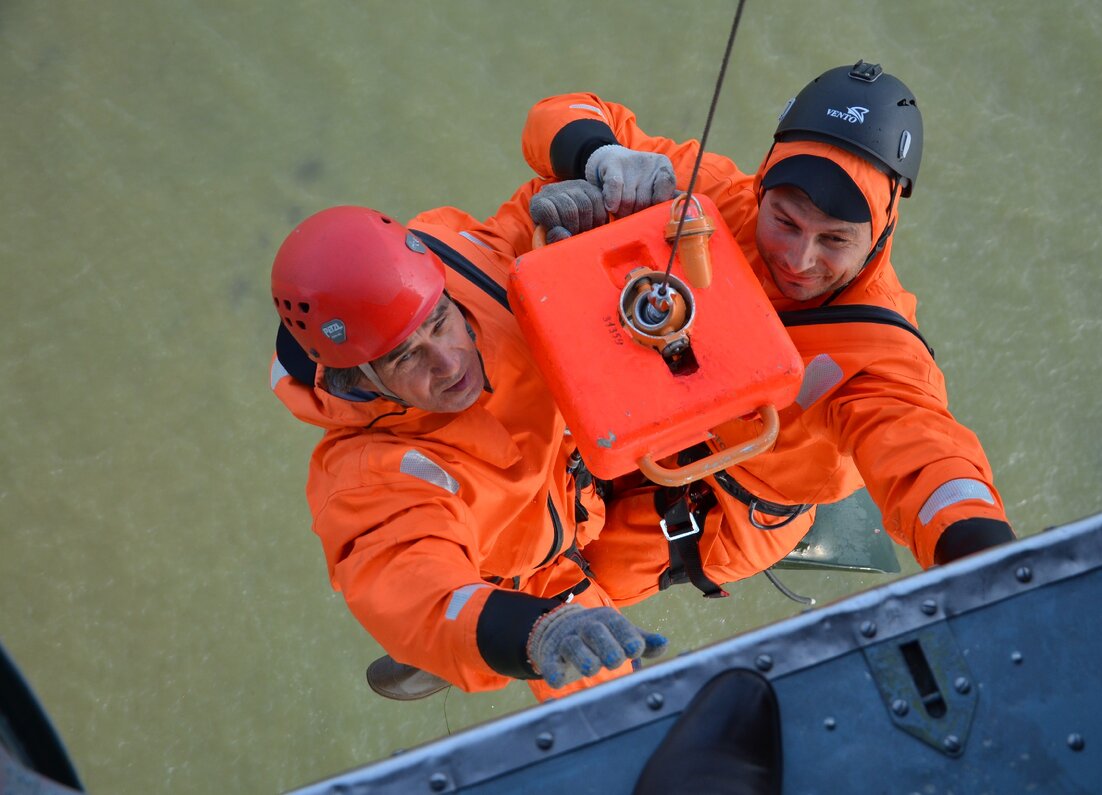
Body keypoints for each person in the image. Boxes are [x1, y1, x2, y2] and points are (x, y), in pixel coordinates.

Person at [517, 60, 1016, 605]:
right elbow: (565, 111)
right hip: (648, 399)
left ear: (881, 233)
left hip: (729, 499)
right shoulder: (715, 198)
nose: (799, 259)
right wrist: (601, 157)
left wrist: (986, 557)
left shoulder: (880, 352)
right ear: (763, 185)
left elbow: (927, 456)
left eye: (835, 240)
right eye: (785, 221)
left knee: (565, 589)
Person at [269, 203, 667, 700]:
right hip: (531, 587)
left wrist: (591, 168)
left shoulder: (469, 269)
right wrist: (528, 632)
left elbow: (525, 214)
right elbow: (414, 586)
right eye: (406, 357)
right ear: (360, 381)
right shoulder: (365, 476)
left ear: (443, 292)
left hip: (588, 487)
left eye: (439, 322)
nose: (448, 361)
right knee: (617, 713)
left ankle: (444, 651)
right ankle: (464, 642)